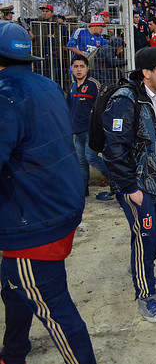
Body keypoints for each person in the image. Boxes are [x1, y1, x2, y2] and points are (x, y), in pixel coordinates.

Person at [0, 21, 97, 363]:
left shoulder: (4, 94)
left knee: (53, 306)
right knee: (14, 287)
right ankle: (13, 353)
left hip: (32, 224)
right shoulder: (49, 85)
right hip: (59, 207)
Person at [102, 47, 156, 323]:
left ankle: (141, 265)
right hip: (138, 187)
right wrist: (129, 188)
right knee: (144, 238)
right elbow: (114, 149)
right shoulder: (126, 100)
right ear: (147, 73)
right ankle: (145, 296)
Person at [67, 54, 111, 198]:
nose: (79, 70)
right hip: (77, 130)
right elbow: (70, 108)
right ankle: (84, 189)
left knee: (91, 157)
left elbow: (102, 106)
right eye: (75, 67)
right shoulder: (72, 87)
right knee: (81, 161)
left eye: (82, 66)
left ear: (88, 68)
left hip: (91, 130)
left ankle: (114, 179)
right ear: (71, 69)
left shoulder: (93, 85)